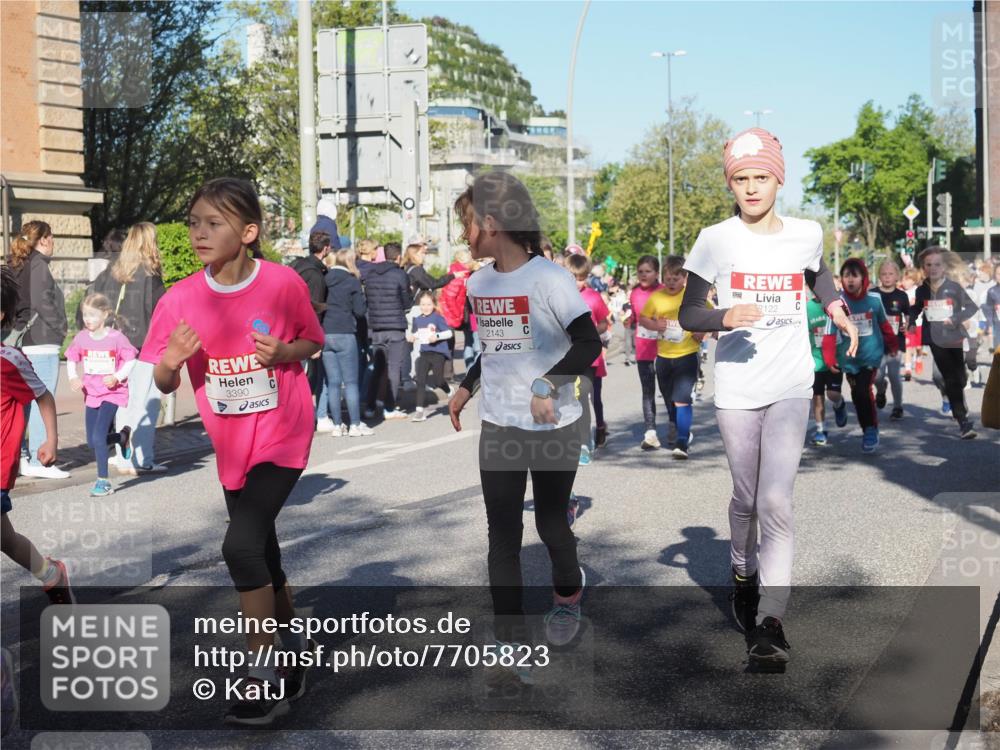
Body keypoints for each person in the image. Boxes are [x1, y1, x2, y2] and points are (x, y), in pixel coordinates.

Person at [141, 177, 324, 726]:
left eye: (213, 223)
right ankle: (293, 650)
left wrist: (284, 352)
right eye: (193, 222)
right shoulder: (179, 299)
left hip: (284, 431)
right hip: (231, 445)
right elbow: (163, 383)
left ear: (248, 232)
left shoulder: (282, 283)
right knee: (263, 552)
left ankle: (262, 673)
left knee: (239, 546)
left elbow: (312, 342)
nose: (199, 233)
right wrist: (170, 361)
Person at [678, 127, 857, 670]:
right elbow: (688, 313)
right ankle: (742, 570)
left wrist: (836, 308)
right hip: (737, 386)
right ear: (730, 184)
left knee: (775, 501)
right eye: (742, 179)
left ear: (779, 180)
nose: (752, 187)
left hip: (790, 383)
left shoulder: (806, 232)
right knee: (746, 497)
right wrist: (724, 315)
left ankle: (771, 620)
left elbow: (818, 273)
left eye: (762, 177)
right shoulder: (715, 238)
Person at [447, 172, 600, 682]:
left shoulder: (549, 279)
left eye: (467, 223)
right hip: (500, 424)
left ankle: (567, 593)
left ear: (491, 222)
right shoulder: (479, 284)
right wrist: (467, 387)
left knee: (551, 525)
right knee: (503, 535)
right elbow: (493, 348)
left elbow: (588, 343)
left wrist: (546, 385)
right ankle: (510, 639)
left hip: (554, 423)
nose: (464, 234)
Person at [0, 266, 74, 605]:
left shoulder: (9, 360)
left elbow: (43, 395)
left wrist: (50, 439)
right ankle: (50, 574)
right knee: (6, 539)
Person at [81, 222, 168, 474]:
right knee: (146, 402)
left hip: (115, 347)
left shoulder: (114, 273)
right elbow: (161, 315)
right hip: (143, 348)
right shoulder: (150, 275)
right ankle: (142, 459)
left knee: (122, 403)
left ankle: (123, 457)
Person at [9, 221, 69, 480]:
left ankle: (22, 456)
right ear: (43, 239)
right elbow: (43, 304)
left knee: (24, 402)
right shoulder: (38, 265)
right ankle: (39, 458)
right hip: (41, 341)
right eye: (51, 237)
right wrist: (61, 328)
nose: (53, 241)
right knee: (42, 400)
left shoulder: (17, 264)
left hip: (22, 341)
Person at [66, 294, 137, 495]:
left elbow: (131, 360)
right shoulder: (82, 338)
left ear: (105, 315)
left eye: (92, 315)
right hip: (92, 393)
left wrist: (116, 376)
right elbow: (71, 358)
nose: (88, 319)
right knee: (93, 441)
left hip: (112, 393)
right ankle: (122, 437)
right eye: (85, 315)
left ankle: (103, 482)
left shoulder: (116, 338)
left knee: (99, 437)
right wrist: (73, 377)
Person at [639, 255, 708, 459]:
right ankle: (679, 429)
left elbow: (711, 316)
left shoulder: (692, 297)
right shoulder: (657, 298)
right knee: (670, 399)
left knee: (681, 400)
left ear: (684, 278)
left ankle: (682, 442)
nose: (671, 282)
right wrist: (654, 325)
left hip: (687, 355)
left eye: (675, 279)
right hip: (663, 357)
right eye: (667, 278)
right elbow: (643, 318)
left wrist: (702, 331)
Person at [909, 246, 979, 439]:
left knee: (959, 377)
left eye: (937, 264)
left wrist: (955, 318)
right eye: (928, 265)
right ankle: (962, 420)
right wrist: (911, 321)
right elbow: (915, 308)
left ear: (944, 267)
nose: (933, 268)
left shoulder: (953, 287)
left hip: (954, 337)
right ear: (923, 268)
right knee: (950, 378)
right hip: (935, 339)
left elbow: (971, 308)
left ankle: (961, 386)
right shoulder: (922, 290)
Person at [829, 259, 898, 453]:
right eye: (846, 276)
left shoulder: (874, 300)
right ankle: (864, 421)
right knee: (857, 394)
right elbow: (830, 332)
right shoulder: (838, 303)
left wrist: (892, 345)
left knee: (862, 391)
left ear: (864, 278)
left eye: (855, 276)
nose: (850, 280)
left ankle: (870, 429)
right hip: (848, 358)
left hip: (870, 355)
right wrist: (830, 356)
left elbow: (884, 324)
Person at [321, 247, 373, 437]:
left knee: (333, 383)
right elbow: (359, 311)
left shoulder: (325, 279)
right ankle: (355, 425)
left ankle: (337, 425)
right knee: (350, 382)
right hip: (345, 333)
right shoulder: (352, 281)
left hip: (326, 334)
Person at [566, 253, 610, 462]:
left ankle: (585, 442)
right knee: (570, 399)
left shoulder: (593, 297)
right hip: (566, 356)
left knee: (584, 397)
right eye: (573, 278)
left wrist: (590, 332)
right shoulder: (559, 297)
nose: (577, 283)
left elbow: (604, 323)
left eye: (581, 278)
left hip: (589, 357)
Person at [363, 242, 412, 420]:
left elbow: (367, 299)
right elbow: (407, 302)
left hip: (376, 327)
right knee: (393, 368)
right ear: (398, 257)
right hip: (396, 327)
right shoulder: (400, 274)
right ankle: (389, 408)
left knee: (378, 368)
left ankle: (369, 407)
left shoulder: (370, 274)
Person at [291, 230, 333, 432]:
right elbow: (314, 309)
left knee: (294, 379)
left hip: (289, 330)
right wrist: (314, 341)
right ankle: (302, 420)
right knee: (305, 379)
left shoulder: (296, 266)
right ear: (325, 249)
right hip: (302, 334)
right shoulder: (315, 275)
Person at [630, 256, 665, 449]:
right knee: (648, 391)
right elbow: (635, 317)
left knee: (667, 391)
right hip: (643, 349)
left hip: (665, 349)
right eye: (640, 271)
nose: (643, 275)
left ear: (657, 273)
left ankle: (675, 425)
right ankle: (650, 431)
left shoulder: (664, 291)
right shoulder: (634, 293)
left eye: (648, 271)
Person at [806, 293, 845, 446]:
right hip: (816, 360)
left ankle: (839, 403)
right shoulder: (807, 307)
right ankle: (821, 430)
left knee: (833, 394)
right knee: (817, 397)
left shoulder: (837, 304)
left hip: (834, 359)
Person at [872, 260, 910, 420]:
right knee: (877, 377)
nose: (887, 277)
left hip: (895, 342)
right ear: (879, 276)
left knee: (894, 375)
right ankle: (881, 390)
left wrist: (907, 324)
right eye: (884, 274)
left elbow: (908, 314)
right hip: (876, 342)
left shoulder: (902, 296)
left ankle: (897, 407)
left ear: (897, 276)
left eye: (890, 274)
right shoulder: (872, 294)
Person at [408, 291, 453, 422]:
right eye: (423, 304)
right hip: (424, 353)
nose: (425, 307)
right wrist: (412, 337)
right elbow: (417, 333)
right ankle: (419, 411)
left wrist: (437, 336)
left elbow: (449, 333)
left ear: (433, 304)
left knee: (438, 381)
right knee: (420, 380)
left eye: (428, 304)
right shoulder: (417, 319)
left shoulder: (437, 318)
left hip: (438, 353)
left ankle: (449, 391)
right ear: (419, 305)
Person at [439, 248, 478, 372]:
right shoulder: (461, 275)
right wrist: (457, 314)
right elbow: (450, 297)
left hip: (463, 313)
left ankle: (469, 372)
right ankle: (473, 372)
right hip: (464, 314)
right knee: (475, 343)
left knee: (467, 341)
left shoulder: (458, 272)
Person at [901, 268, 924, 380]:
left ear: (913, 280)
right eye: (903, 279)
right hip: (907, 324)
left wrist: (915, 303)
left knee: (919, 347)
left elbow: (923, 305)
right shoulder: (901, 293)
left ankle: (919, 359)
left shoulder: (918, 291)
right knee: (908, 347)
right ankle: (908, 370)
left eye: (907, 280)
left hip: (919, 323)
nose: (904, 282)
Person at [984, 263, 1000, 351]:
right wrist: (989, 326)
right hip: (998, 326)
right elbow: (989, 311)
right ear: (995, 275)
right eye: (998, 274)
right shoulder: (991, 291)